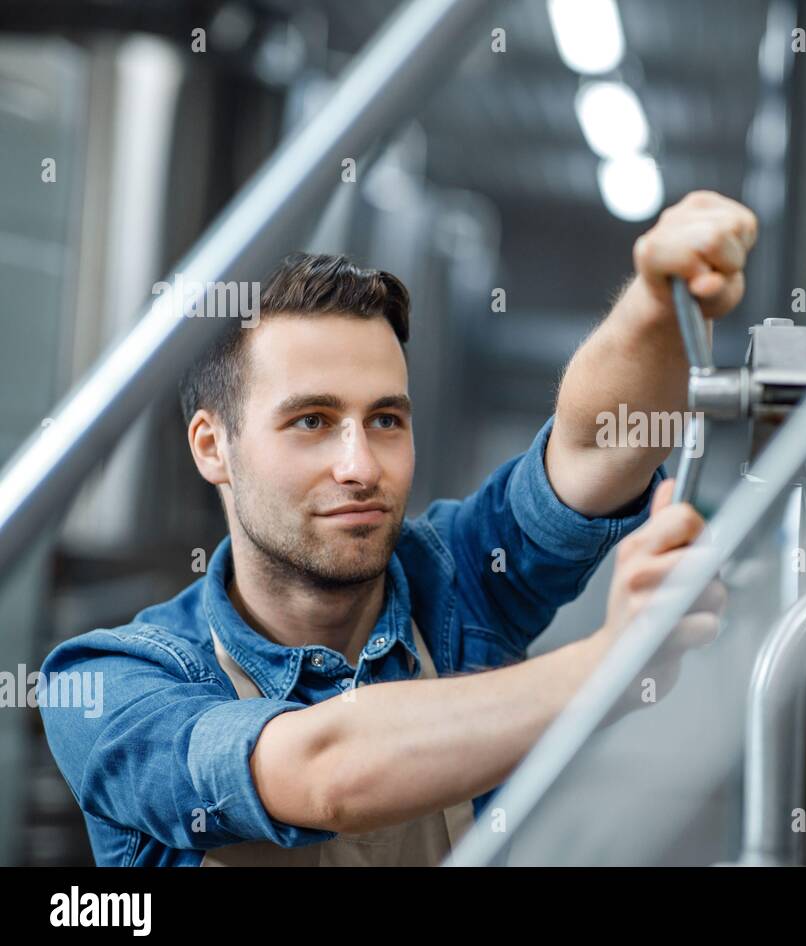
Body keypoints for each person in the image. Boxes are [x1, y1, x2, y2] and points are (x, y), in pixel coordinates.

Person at [38, 191, 758, 866]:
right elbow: (324, 775)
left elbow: (596, 446)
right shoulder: (115, 682)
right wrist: (611, 665)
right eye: (312, 422)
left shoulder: (460, 578)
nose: (359, 466)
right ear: (212, 446)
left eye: (384, 420)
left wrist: (655, 307)